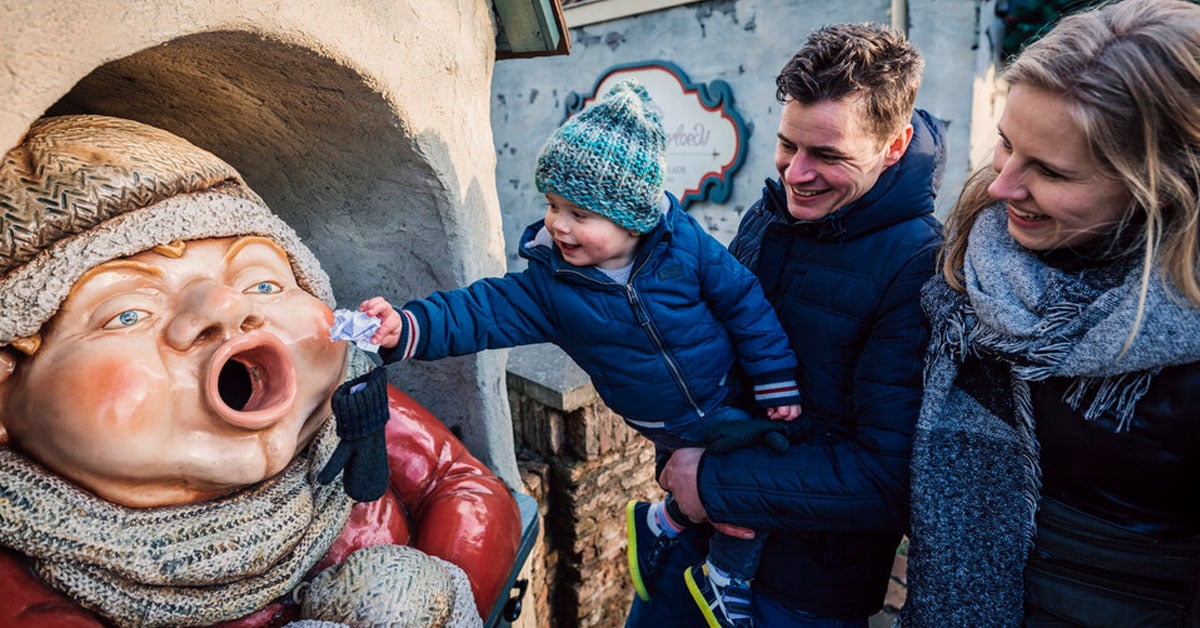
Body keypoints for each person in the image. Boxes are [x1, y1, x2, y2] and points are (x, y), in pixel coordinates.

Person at [0, 114, 522, 627]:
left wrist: (440, 590)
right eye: (128, 314)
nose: (227, 306)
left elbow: (460, 484)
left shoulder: (348, 409)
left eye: (263, 284)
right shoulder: (30, 582)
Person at [360, 78, 803, 627]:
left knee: (755, 473)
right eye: (552, 205)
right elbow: (480, 311)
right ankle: (725, 577)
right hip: (664, 420)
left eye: (580, 213)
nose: (557, 224)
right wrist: (405, 326)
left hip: (724, 394)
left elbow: (744, 302)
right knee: (746, 489)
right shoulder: (552, 288)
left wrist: (775, 379)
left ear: (633, 219)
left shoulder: (685, 246)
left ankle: (661, 526)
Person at [627, 22, 946, 627]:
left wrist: (713, 483)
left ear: (895, 145)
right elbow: (708, 353)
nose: (795, 174)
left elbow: (888, 478)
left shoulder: (921, 266)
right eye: (787, 145)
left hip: (800, 596)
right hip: (688, 546)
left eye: (827, 155)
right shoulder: (768, 216)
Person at [901, 0, 1200, 625]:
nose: (1000, 186)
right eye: (1006, 144)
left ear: (1167, 186)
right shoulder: (969, 262)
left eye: (1051, 171)